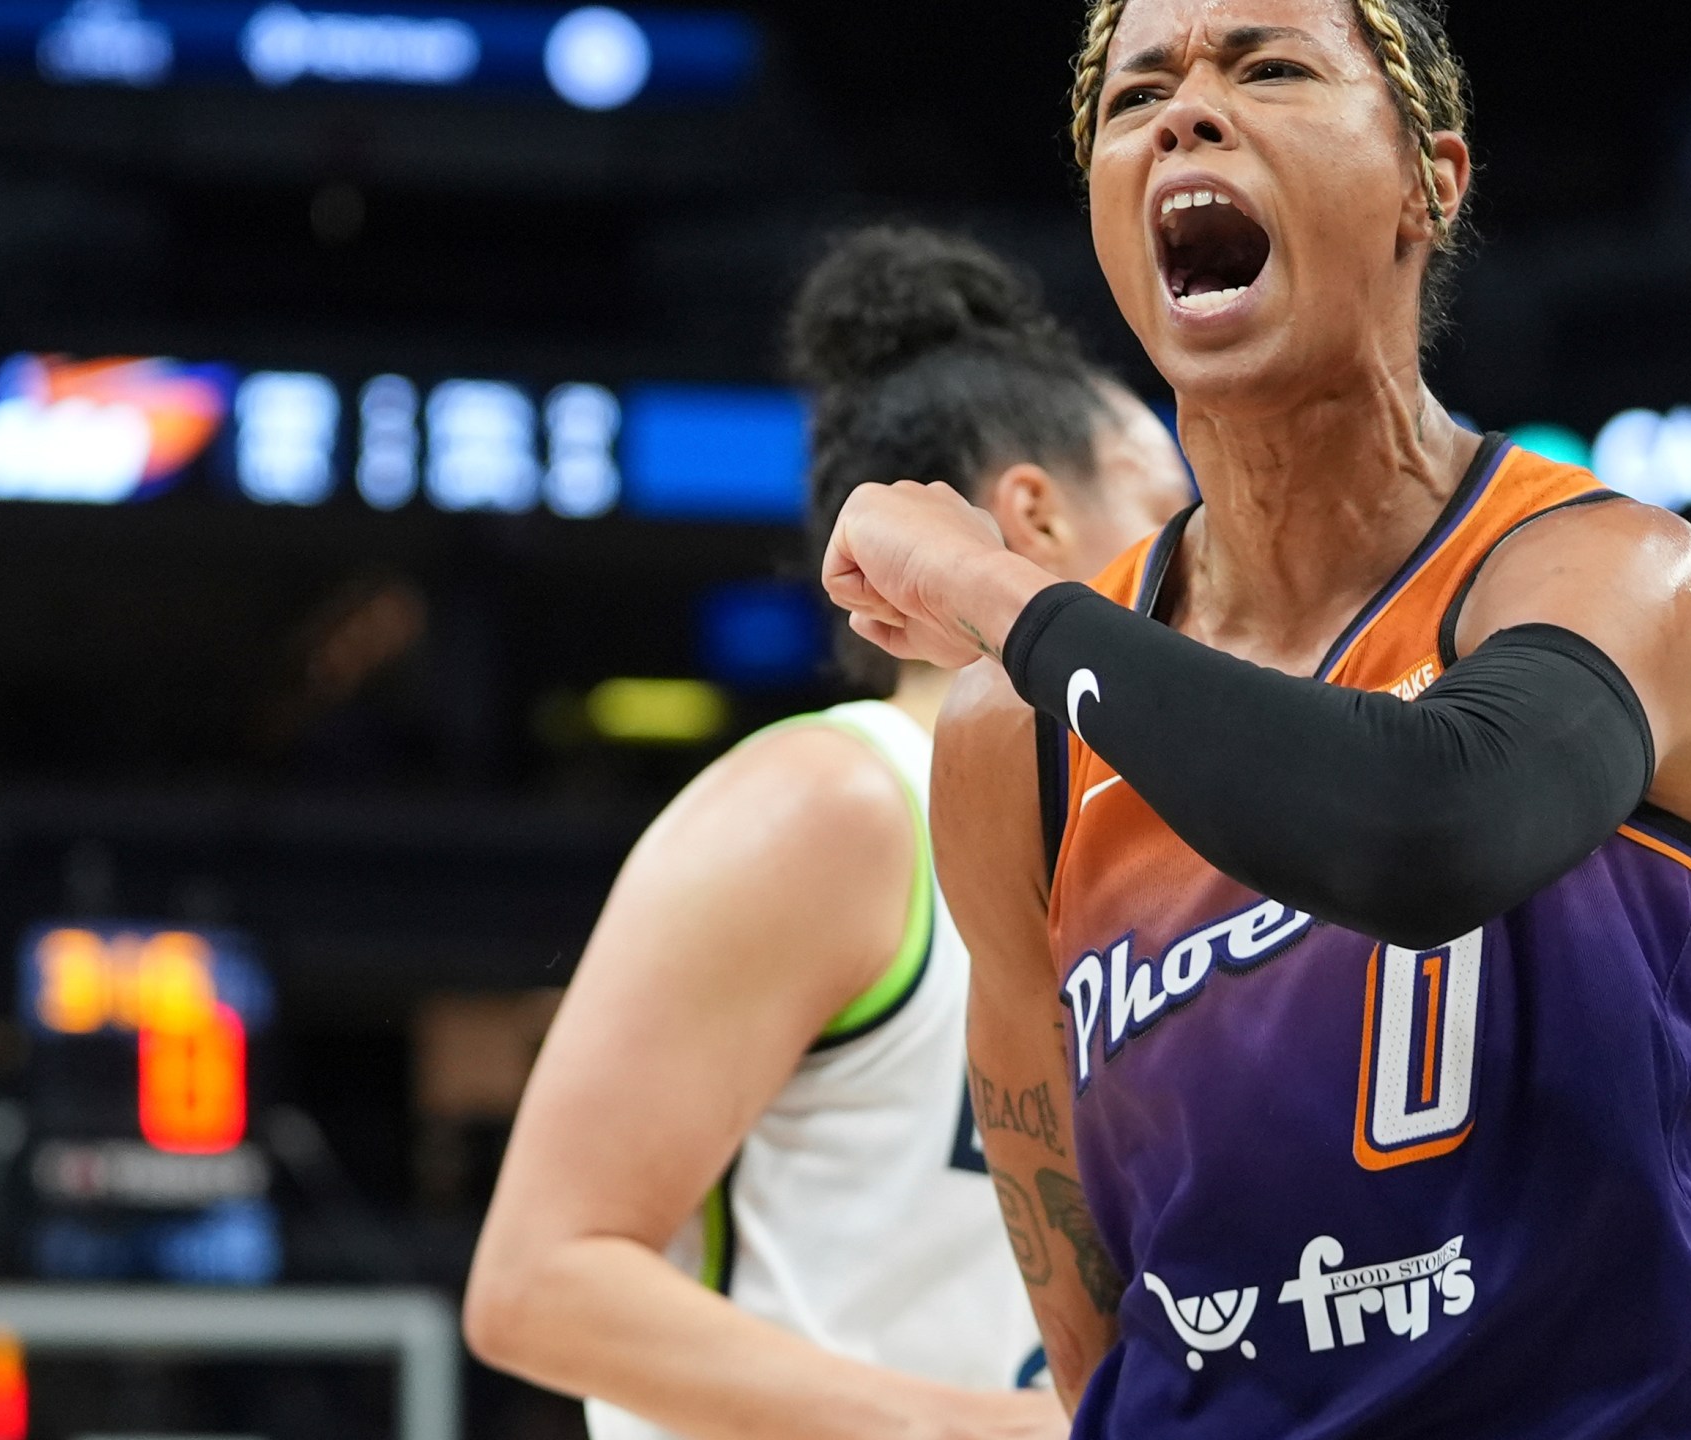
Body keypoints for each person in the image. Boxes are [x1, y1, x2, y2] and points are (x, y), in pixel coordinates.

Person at [819, 2, 1691, 1437]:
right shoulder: (1014, 742)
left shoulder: (1609, 574)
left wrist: (998, 591)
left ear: (1434, 180)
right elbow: (1077, 1265)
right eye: (1136, 96)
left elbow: (1427, 828)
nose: (1186, 113)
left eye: (1271, 66)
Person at [464, 227, 1193, 1440]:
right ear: (1038, 516)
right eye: (1168, 505)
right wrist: (985, 1431)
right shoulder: (837, 802)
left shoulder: (1163, 855)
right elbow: (541, 1281)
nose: (1203, 558)